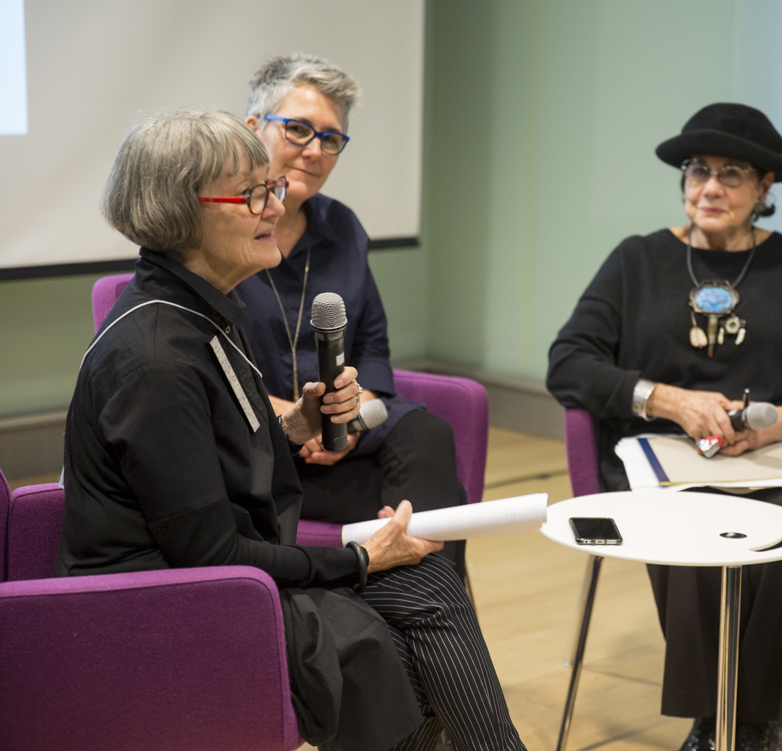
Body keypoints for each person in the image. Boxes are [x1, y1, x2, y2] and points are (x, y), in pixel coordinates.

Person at [56, 109, 525, 751]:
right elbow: (213, 555)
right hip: (160, 608)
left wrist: (296, 422)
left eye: (269, 189)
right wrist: (359, 558)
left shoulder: (199, 312)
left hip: (206, 576)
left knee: (425, 591)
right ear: (178, 212)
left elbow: (210, 454)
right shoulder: (156, 358)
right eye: (253, 194)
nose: (274, 206)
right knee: (395, 630)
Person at [546, 103, 782, 751]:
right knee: (694, 515)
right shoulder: (637, 260)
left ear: (766, 188)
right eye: (697, 170)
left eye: (732, 173)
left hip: (780, 458)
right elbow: (568, 362)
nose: (709, 187)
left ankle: (746, 721)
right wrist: (669, 400)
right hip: (666, 457)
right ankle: (721, 719)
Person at [233, 53, 469, 579]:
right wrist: (302, 419)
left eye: (331, 138)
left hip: (342, 451)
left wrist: (350, 418)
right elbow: (208, 371)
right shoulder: (218, 234)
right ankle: (435, 630)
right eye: (297, 129)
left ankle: (416, 622)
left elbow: (372, 350)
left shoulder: (343, 226)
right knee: (438, 510)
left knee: (426, 438)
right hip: (260, 453)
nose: (314, 151)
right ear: (253, 128)